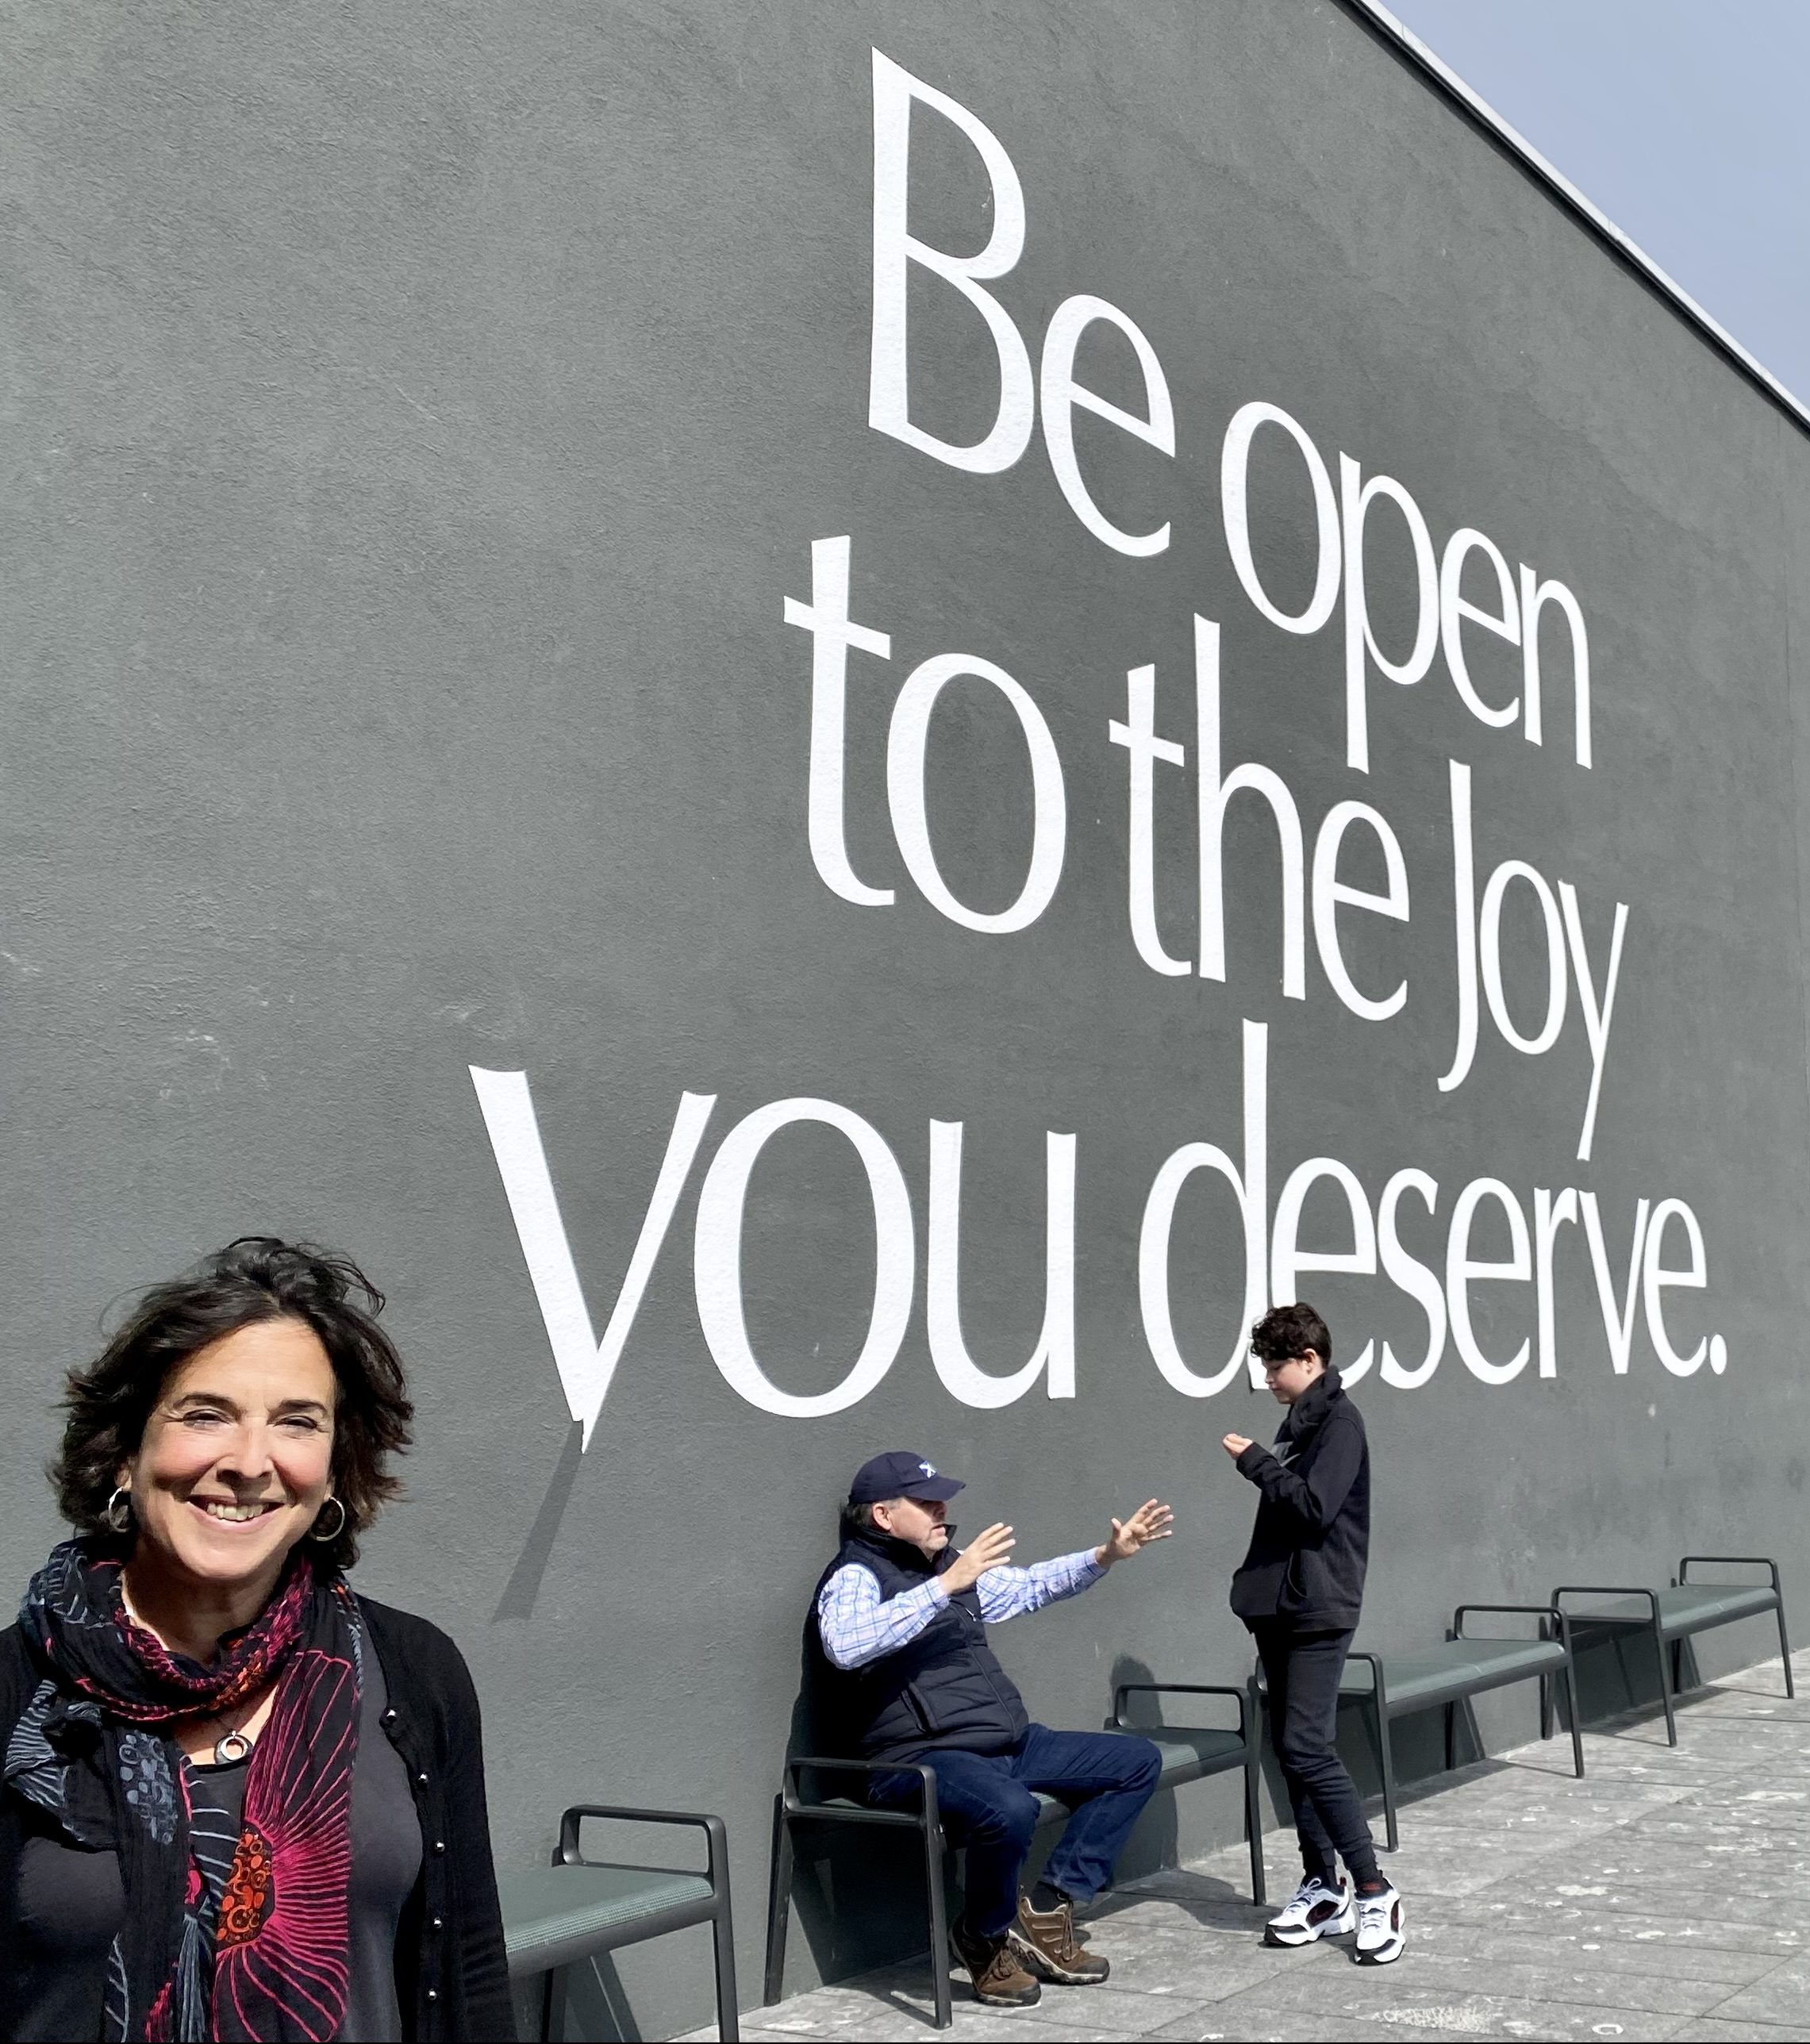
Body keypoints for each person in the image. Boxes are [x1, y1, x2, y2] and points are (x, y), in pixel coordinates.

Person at [1, 1236, 517, 2042]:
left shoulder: (415, 1671)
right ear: (125, 1455)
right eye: (205, 1413)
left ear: (335, 1467)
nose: (249, 1461)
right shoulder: (15, 1687)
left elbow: (470, 1967)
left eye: (296, 1421)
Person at [812, 1450, 1174, 2009]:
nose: (942, 1512)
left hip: (1004, 1743)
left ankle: (1049, 1906)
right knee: (1009, 1809)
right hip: (918, 1757)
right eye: (926, 1502)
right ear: (883, 1515)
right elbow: (845, 1644)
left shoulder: (947, 1564)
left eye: (942, 1502)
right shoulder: (856, 1574)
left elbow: (1025, 1587)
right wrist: (943, 1587)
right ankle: (981, 1937)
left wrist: (1105, 1555)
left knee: (1133, 1762)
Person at [1221, 1301, 1405, 1966]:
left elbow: (1315, 1510)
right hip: (1282, 1609)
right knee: (1291, 1747)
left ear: (1309, 1360)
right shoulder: (1302, 1425)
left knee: (1307, 1746)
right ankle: (1320, 1886)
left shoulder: (1339, 1425)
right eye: (1265, 1364)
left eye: (1275, 1365)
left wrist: (1256, 1464)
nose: (1266, 1377)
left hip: (1318, 1611)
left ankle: (1374, 1889)